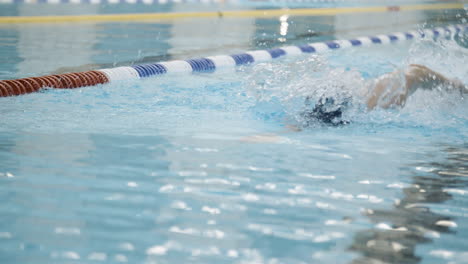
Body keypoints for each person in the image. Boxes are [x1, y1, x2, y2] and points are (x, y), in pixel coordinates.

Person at [301, 64, 467, 126]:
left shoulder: (367, 106)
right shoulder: (381, 102)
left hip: (409, 79)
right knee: (416, 71)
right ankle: (459, 88)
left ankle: (457, 88)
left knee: (417, 71)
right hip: (411, 78)